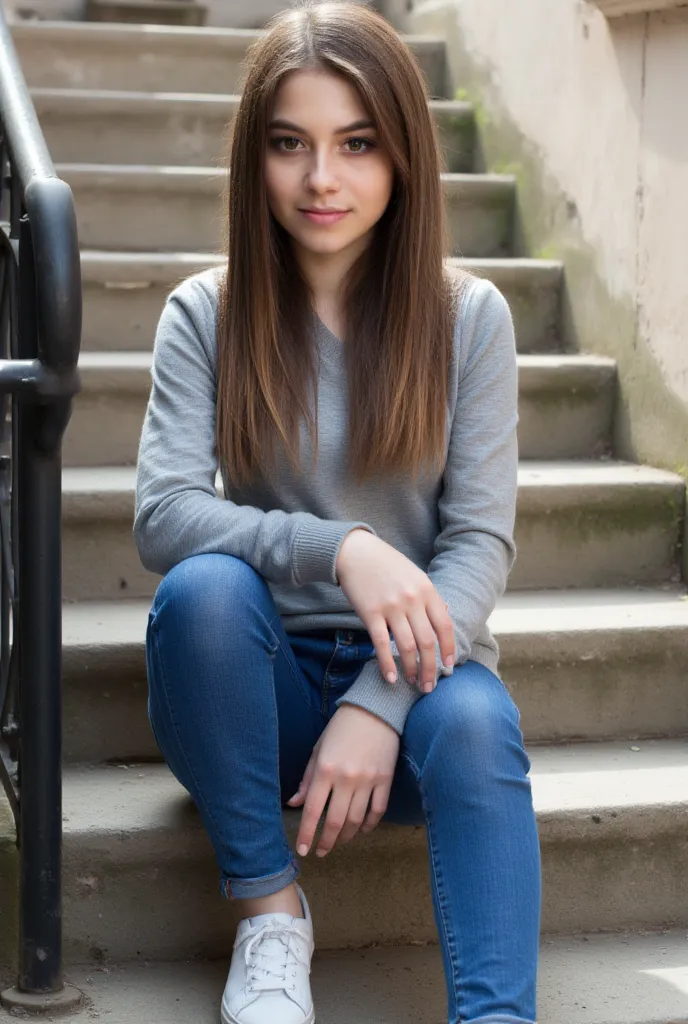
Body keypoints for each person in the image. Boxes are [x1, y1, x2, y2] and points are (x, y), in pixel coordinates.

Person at [134, 1, 541, 1021]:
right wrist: (341, 547)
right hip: (247, 703)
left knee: (481, 720)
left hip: (411, 698)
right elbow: (163, 514)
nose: (323, 179)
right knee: (204, 594)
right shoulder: (206, 312)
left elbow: (477, 544)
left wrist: (379, 699)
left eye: (356, 144)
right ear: (254, 159)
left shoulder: (469, 318)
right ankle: (271, 918)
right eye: (290, 144)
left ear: (401, 155)